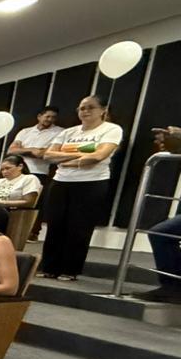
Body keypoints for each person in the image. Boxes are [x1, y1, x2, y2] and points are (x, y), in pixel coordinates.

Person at [40, 95, 123, 281]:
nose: (85, 111)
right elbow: (48, 155)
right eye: (81, 108)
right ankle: (49, 267)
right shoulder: (69, 132)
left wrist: (66, 156)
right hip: (62, 181)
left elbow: (99, 156)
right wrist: (82, 155)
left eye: (90, 107)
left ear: (103, 110)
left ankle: (70, 269)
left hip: (91, 183)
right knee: (55, 225)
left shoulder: (111, 129)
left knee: (79, 227)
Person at [8, 105, 63, 240]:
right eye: (47, 116)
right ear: (39, 116)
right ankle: (12, 230)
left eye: (53, 117)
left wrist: (26, 150)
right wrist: (32, 150)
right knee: (14, 200)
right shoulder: (25, 132)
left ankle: (32, 233)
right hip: (19, 170)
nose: (50, 119)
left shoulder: (60, 132)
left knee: (36, 203)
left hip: (41, 172)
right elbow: (11, 150)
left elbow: (46, 153)